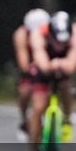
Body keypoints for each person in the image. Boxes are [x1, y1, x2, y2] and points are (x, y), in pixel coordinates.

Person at [26, 11, 76, 151]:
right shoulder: (39, 33)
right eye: (57, 41)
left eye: (64, 42)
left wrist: (63, 64)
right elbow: (40, 59)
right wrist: (49, 65)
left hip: (64, 68)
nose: (60, 45)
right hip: (43, 68)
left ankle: (67, 118)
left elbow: (73, 60)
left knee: (66, 86)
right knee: (38, 109)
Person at [13, 8, 51, 140]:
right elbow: (22, 55)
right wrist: (28, 69)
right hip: (30, 69)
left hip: (48, 66)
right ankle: (24, 120)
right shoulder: (21, 33)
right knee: (25, 92)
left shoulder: (51, 31)